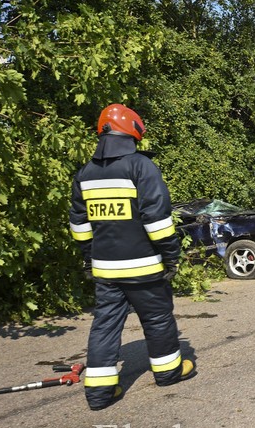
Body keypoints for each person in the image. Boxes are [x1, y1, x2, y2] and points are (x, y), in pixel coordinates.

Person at [69, 104, 196, 410]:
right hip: (144, 266)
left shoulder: (84, 174)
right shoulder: (141, 167)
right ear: (133, 131)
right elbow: (158, 221)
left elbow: (79, 225)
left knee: (105, 324)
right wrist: (171, 256)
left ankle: (99, 394)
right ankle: (168, 372)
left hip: (105, 269)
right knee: (156, 318)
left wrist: (90, 259)